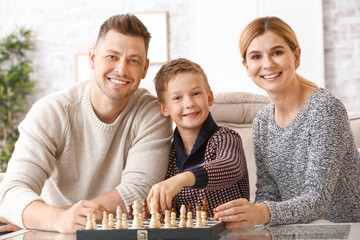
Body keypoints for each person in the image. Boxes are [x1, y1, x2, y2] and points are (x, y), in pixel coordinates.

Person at [0, 14, 172, 233]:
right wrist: (54, 220)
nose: (121, 69)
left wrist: (46, 217)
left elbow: (138, 191)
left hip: (118, 234)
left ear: (145, 68)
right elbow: (12, 190)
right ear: (92, 58)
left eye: (134, 60)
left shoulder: (152, 112)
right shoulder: (52, 111)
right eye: (112, 56)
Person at [214, 16, 360, 227]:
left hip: (346, 229)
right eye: (256, 57)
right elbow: (268, 192)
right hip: (299, 229)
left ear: (296, 56)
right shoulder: (262, 123)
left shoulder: (325, 109)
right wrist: (253, 222)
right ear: (246, 66)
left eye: (277, 52)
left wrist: (261, 213)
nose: (268, 64)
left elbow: (316, 199)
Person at [147, 58, 249, 217]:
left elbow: (230, 166)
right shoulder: (169, 152)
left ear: (209, 98)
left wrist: (181, 179)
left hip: (230, 233)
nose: (189, 103)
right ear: (164, 108)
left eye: (196, 93)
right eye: (177, 98)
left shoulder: (226, 138)